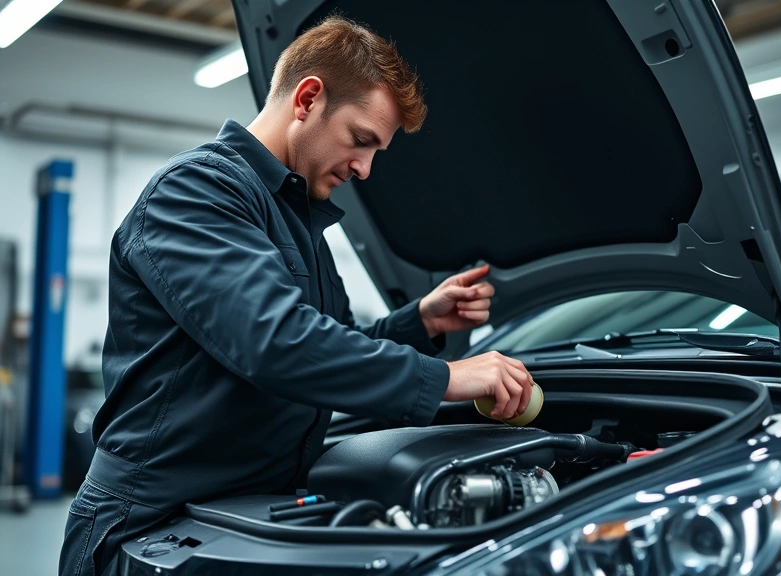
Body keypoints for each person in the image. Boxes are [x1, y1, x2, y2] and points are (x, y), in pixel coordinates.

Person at [58, 16, 534, 576]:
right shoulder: (196, 192)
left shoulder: (296, 218)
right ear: (308, 98)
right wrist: (450, 379)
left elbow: (329, 342)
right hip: (149, 526)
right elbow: (276, 342)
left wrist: (420, 322)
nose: (364, 168)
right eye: (361, 141)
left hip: (248, 511)